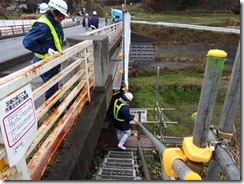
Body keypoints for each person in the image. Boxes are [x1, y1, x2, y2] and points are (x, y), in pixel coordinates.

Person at [22, 0, 69, 101]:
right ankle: (52, 108)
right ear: (55, 13)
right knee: (50, 87)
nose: (63, 18)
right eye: (62, 16)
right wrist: (46, 50)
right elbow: (27, 42)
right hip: (45, 63)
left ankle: (55, 102)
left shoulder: (55, 23)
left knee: (54, 83)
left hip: (53, 61)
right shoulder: (42, 26)